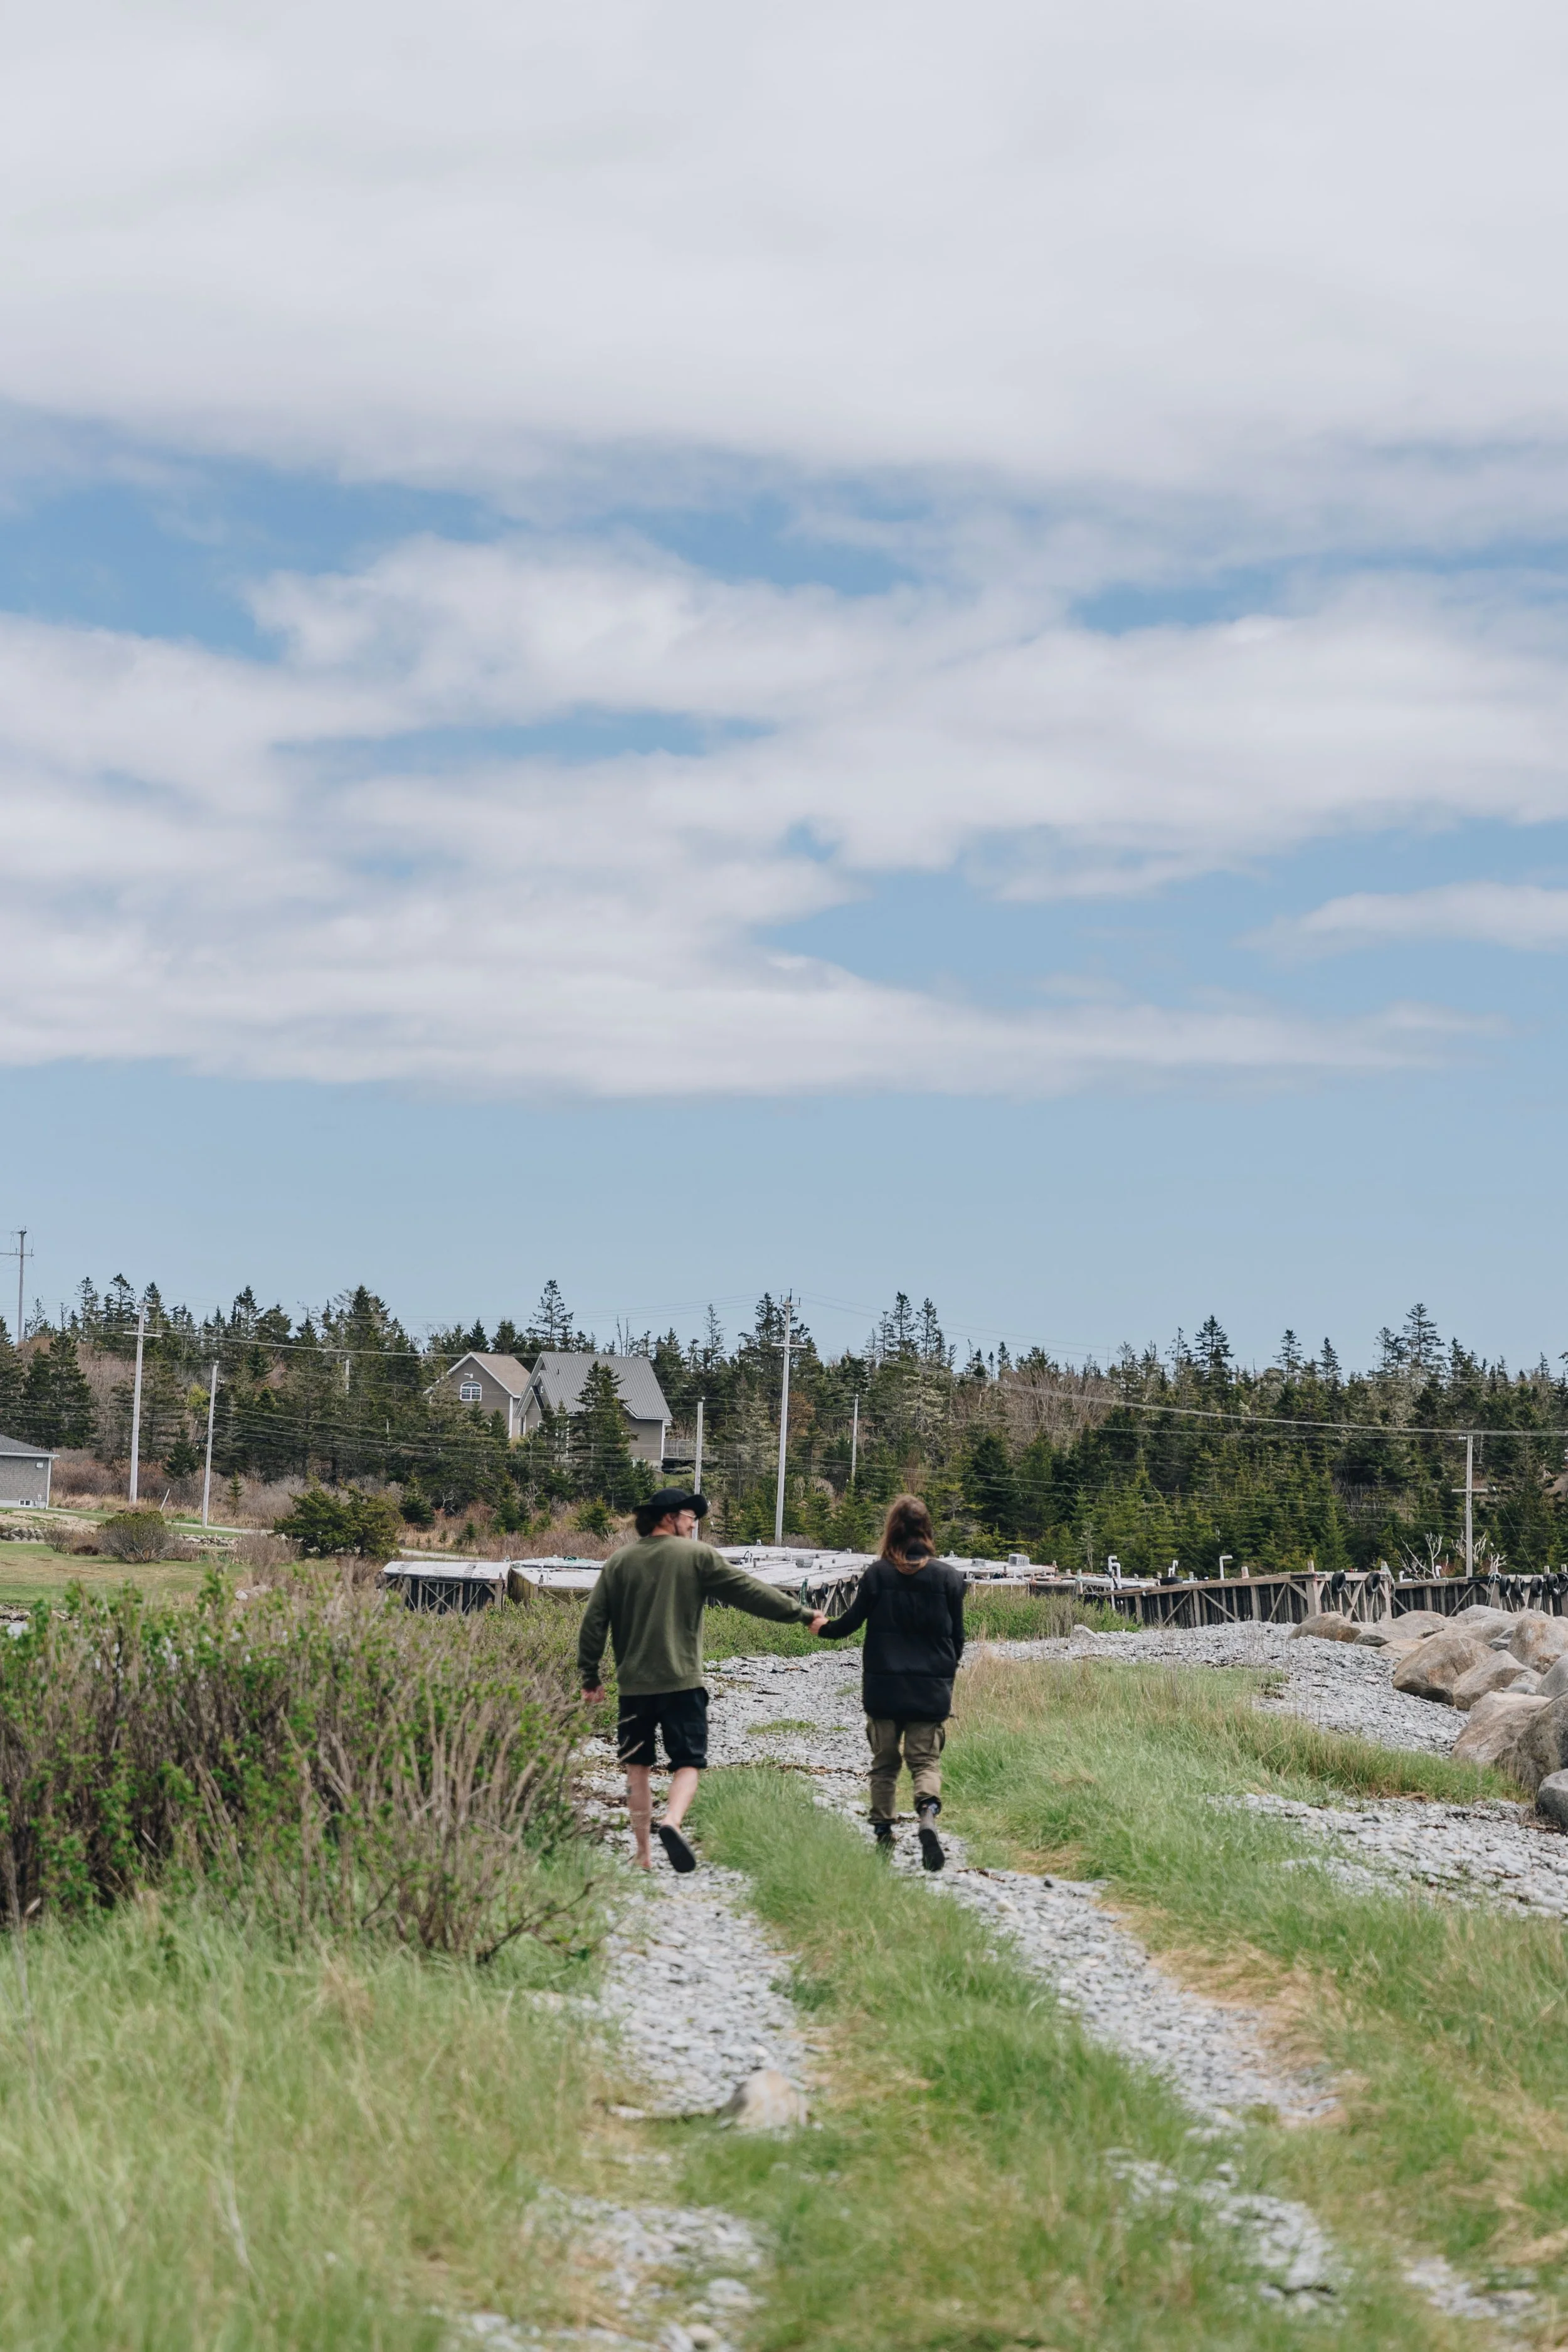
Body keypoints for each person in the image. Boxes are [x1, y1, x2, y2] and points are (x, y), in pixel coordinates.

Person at [579, 1488, 827, 1873]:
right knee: (689, 1762)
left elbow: (594, 1622)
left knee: (636, 1768)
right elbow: (749, 1593)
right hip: (683, 1684)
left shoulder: (619, 1562)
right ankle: (672, 1822)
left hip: (634, 1688)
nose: (694, 1524)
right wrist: (801, 1614)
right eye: (690, 1517)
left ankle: (643, 1855)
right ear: (668, 1518)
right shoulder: (697, 1557)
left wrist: (590, 1675)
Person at [815, 1493, 964, 1871]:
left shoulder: (878, 1575)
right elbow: (958, 1639)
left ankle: (883, 1832)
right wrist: (945, 1675)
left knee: (884, 1764)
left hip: (883, 1691)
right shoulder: (949, 1578)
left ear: (892, 1530)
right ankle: (927, 1816)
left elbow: (848, 1624)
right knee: (926, 1761)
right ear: (927, 1530)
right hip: (930, 1690)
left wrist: (821, 1628)